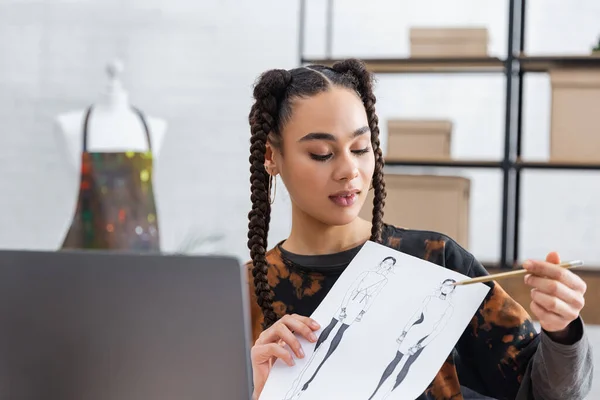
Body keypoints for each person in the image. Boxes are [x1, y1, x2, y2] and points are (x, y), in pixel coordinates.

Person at [245, 58, 592, 400]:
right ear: (271, 155)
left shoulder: (438, 263)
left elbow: (541, 392)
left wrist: (561, 330)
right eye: (322, 153)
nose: (349, 170)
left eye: (360, 148)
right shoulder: (243, 296)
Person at [283, 256, 397, 399]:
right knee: (332, 325)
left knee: (342, 330)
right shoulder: (367, 273)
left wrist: (362, 312)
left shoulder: (383, 280)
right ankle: (316, 349)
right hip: (350, 300)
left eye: (389, 264)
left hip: (360, 304)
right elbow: (351, 289)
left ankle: (329, 353)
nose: (386, 265)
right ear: (382, 262)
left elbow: (374, 296)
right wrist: (343, 306)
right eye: (385, 262)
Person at [368, 278, 456, 400]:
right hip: (414, 331)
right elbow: (416, 315)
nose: (447, 288)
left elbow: (437, 330)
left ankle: (389, 394)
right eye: (446, 285)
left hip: (425, 338)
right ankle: (375, 392)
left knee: (407, 365)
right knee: (396, 359)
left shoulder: (449, 307)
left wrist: (420, 345)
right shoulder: (430, 299)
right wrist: (404, 332)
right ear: (441, 285)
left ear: (452, 290)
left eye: (451, 287)